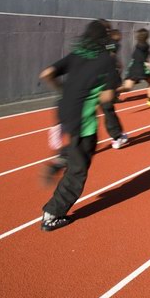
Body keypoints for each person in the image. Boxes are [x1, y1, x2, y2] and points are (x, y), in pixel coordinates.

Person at [39, 19, 116, 231]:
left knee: (76, 148)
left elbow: (46, 73)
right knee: (78, 171)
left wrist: (62, 90)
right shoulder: (106, 61)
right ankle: (52, 213)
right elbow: (108, 97)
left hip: (64, 114)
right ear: (104, 38)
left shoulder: (76, 54)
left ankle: (64, 155)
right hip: (84, 123)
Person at [102, 26, 129, 149]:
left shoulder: (110, 44)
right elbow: (110, 55)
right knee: (107, 108)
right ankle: (117, 136)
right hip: (101, 79)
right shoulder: (111, 44)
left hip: (101, 79)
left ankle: (117, 136)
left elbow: (110, 54)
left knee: (107, 108)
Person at [120, 27, 150, 106]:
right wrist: (147, 63)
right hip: (141, 68)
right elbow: (144, 57)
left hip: (133, 67)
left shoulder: (137, 45)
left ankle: (113, 91)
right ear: (147, 36)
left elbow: (136, 56)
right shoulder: (146, 46)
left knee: (127, 88)